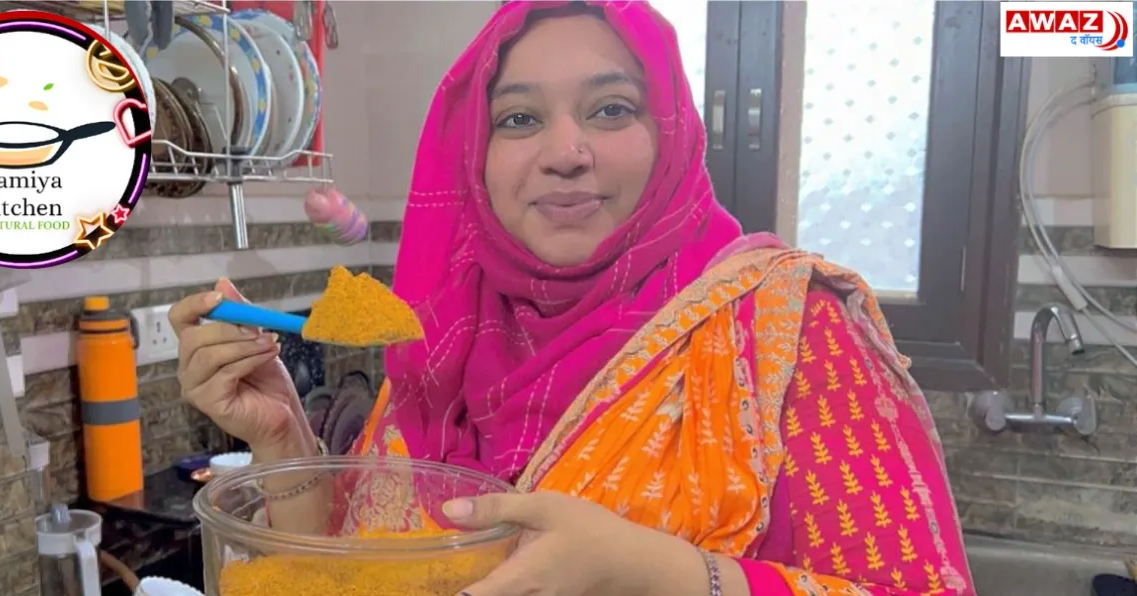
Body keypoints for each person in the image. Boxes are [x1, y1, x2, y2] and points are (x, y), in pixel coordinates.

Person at [168, 2, 975, 595]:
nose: (566, 151)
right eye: (519, 118)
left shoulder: (788, 330)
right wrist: (283, 440)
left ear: (670, 132)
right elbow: (349, 578)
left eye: (611, 109)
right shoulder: (442, 340)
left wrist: (665, 575)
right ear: (474, 158)